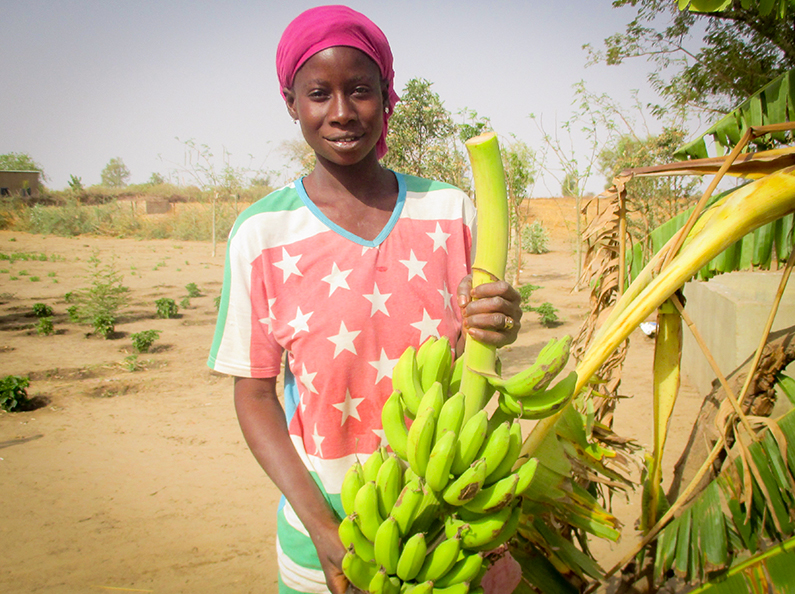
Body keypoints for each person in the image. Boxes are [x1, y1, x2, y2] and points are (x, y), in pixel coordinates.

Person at [207, 5, 522, 593]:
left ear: (387, 95)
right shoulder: (261, 234)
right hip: (322, 530)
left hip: (456, 525)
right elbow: (252, 392)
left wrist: (502, 319)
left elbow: (485, 342)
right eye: (319, 94)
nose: (342, 113)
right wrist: (324, 530)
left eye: (360, 91)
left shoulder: (449, 211)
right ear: (291, 103)